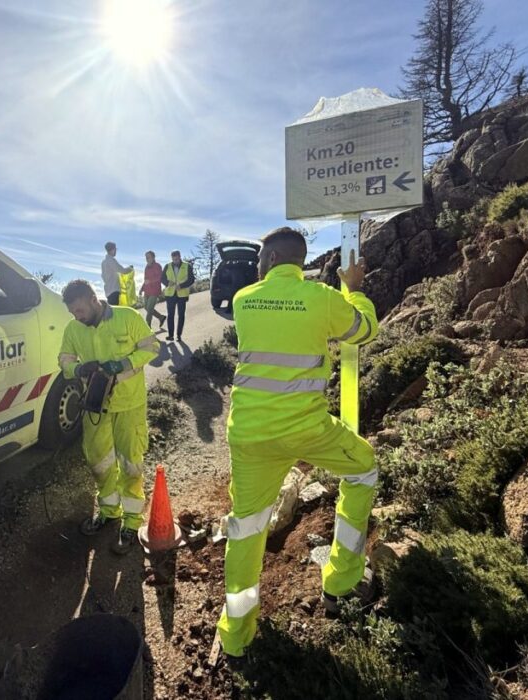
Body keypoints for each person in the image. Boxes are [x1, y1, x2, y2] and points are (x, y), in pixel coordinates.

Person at [216, 227, 379, 659]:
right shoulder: (322, 298)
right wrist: (354, 290)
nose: (256, 265)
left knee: (246, 529)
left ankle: (237, 636)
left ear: (270, 259)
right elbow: (364, 331)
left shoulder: (244, 300)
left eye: (259, 259)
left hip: (250, 436)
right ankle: (342, 580)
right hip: (308, 429)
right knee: (363, 469)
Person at [58, 280, 160, 554]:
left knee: (130, 462)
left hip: (129, 405)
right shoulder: (73, 329)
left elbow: (152, 347)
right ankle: (108, 511)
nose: (77, 317)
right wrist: (79, 369)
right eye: (72, 312)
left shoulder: (128, 317)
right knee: (99, 462)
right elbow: (64, 360)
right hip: (95, 406)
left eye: (80, 310)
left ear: (94, 300)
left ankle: (131, 521)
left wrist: (124, 363)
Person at [161, 250, 194, 342]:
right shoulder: (167, 266)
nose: (175, 261)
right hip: (170, 294)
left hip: (182, 294)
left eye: (176, 259)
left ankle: (179, 335)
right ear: (171, 258)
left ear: (180, 257)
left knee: (181, 315)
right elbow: (162, 278)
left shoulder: (187, 266)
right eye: (173, 259)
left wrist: (182, 286)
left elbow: (191, 279)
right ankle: (170, 335)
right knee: (170, 315)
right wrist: (167, 282)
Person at [142, 251, 167, 330]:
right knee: (146, 307)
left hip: (154, 290)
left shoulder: (157, 266)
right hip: (147, 290)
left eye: (148, 257)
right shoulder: (146, 267)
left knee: (149, 309)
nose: (147, 259)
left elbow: (160, 277)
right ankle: (161, 317)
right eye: (146, 257)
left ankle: (147, 328)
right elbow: (145, 279)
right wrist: (142, 288)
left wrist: (150, 281)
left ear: (153, 257)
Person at [101, 241, 133, 305]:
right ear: (112, 249)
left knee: (112, 308)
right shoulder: (111, 260)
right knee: (115, 309)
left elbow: (103, 276)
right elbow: (122, 270)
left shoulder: (103, 262)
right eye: (115, 249)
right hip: (114, 290)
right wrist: (130, 268)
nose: (116, 251)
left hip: (108, 291)